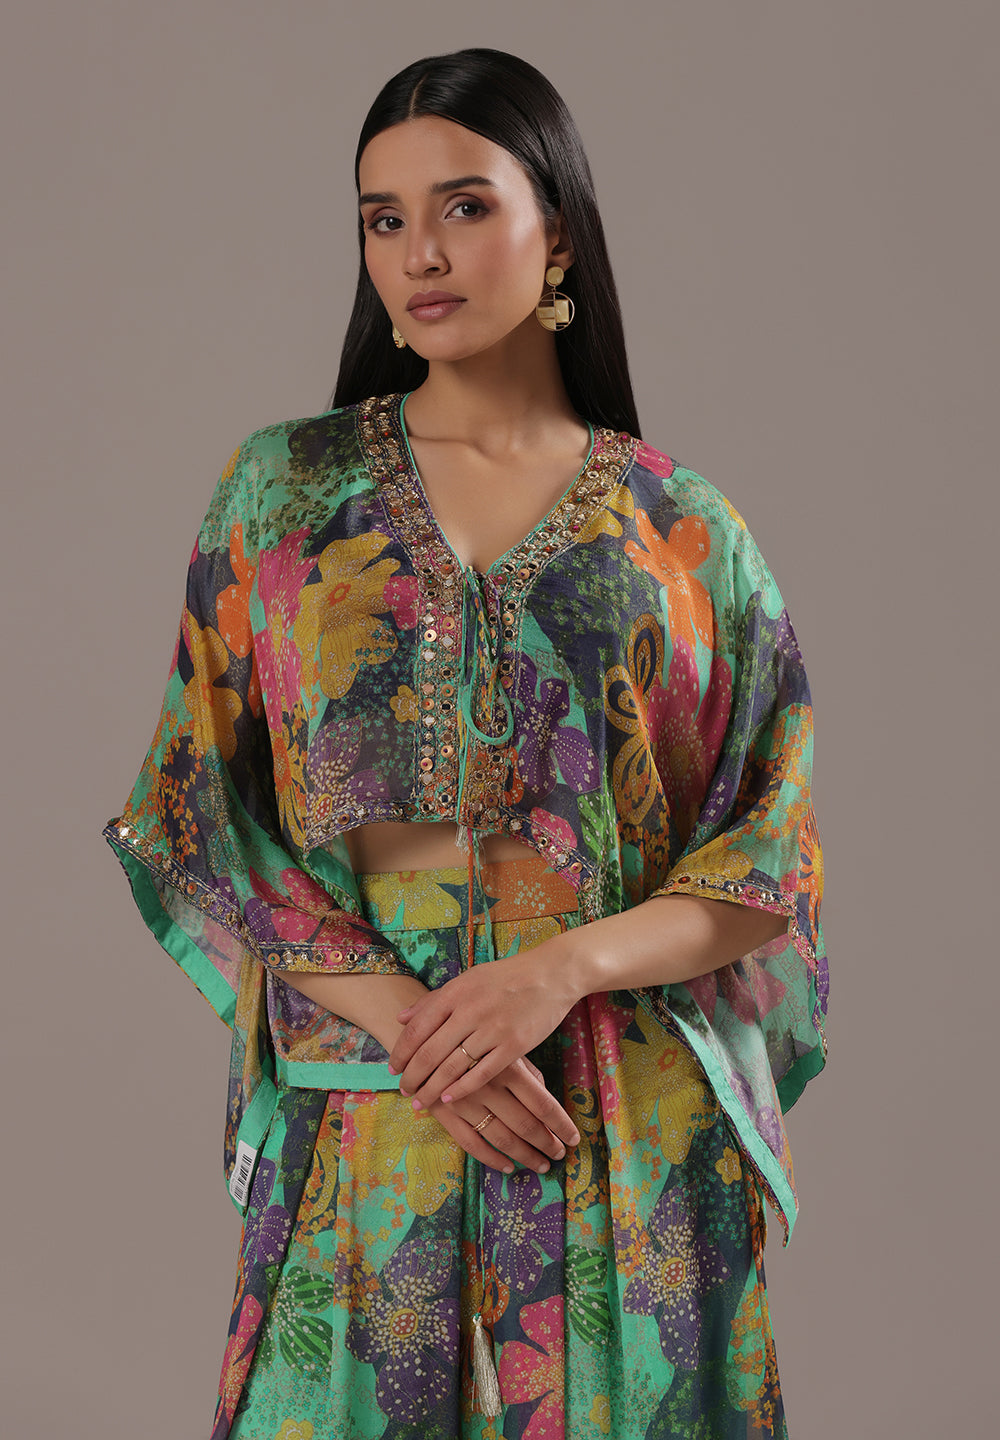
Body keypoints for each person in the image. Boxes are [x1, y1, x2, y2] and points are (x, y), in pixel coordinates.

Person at [104, 47, 827, 1440]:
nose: (419, 254)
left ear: (560, 230)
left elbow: (770, 859)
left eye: (464, 207)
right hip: (373, 1117)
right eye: (384, 219)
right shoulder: (281, 497)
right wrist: (423, 1031)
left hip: (620, 1124)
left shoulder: (684, 533)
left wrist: (554, 974)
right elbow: (196, 810)